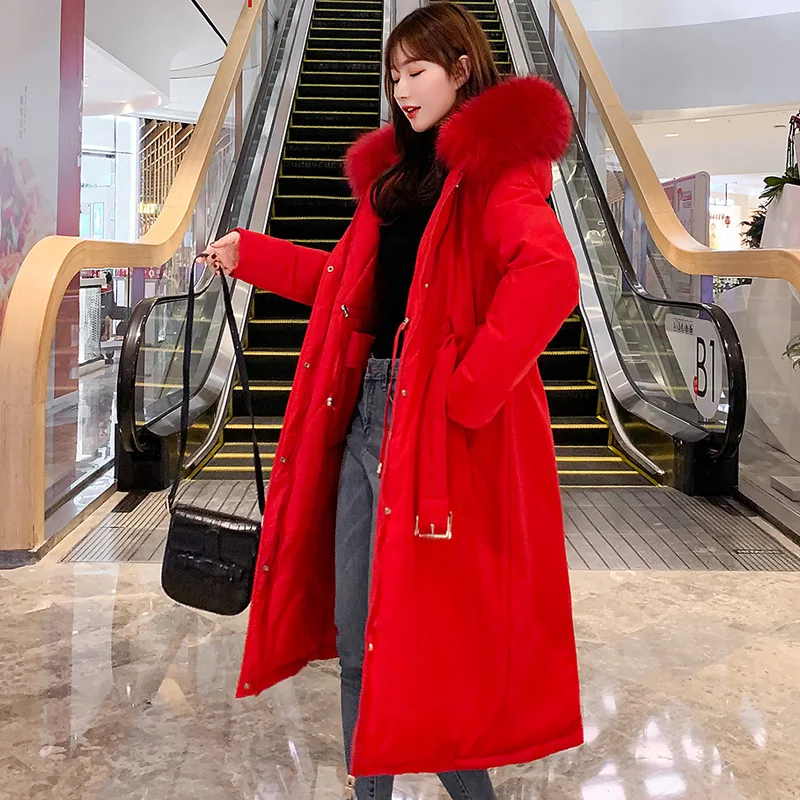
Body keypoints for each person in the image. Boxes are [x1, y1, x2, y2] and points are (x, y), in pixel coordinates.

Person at [203, 3, 583, 797]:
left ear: (461, 70)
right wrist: (253, 256)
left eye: (418, 72)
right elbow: (351, 291)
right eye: (394, 75)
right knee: (358, 638)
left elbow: (548, 276)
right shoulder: (396, 185)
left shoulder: (496, 175)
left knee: (428, 650)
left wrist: (463, 391)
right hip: (367, 415)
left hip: (434, 431)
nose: (402, 90)